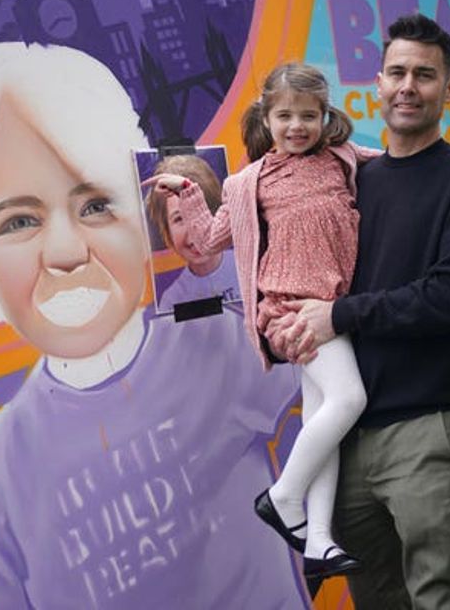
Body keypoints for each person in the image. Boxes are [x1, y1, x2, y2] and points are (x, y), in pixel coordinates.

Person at [0, 42, 304, 609]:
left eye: (96, 205)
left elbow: (334, 393)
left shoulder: (218, 339)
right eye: (19, 220)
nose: (67, 251)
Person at [272, 14, 450, 609]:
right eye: (397, 72)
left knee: (443, 598)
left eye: (425, 75)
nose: (408, 86)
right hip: (345, 443)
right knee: (378, 602)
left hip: (422, 431)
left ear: (449, 90)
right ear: (376, 84)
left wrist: (340, 315)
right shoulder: (350, 179)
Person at [146, 62, 381, 579]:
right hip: (289, 310)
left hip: (333, 308)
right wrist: (186, 192)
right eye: (284, 116)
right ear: (266, 118)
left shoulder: (342, 159)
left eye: (308, 115)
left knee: (324, 415)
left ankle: (318, 541)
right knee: (349, 399)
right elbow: (209, 240)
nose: (296, 126)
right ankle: (282, 497)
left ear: (325, 116)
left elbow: (394, 166)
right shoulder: (247, 184)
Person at [145, 154, 240, 310]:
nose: (194, 233)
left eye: (199, 211)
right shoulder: (172, 299)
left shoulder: (247, 267)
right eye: (179, 219)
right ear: (167, 230)